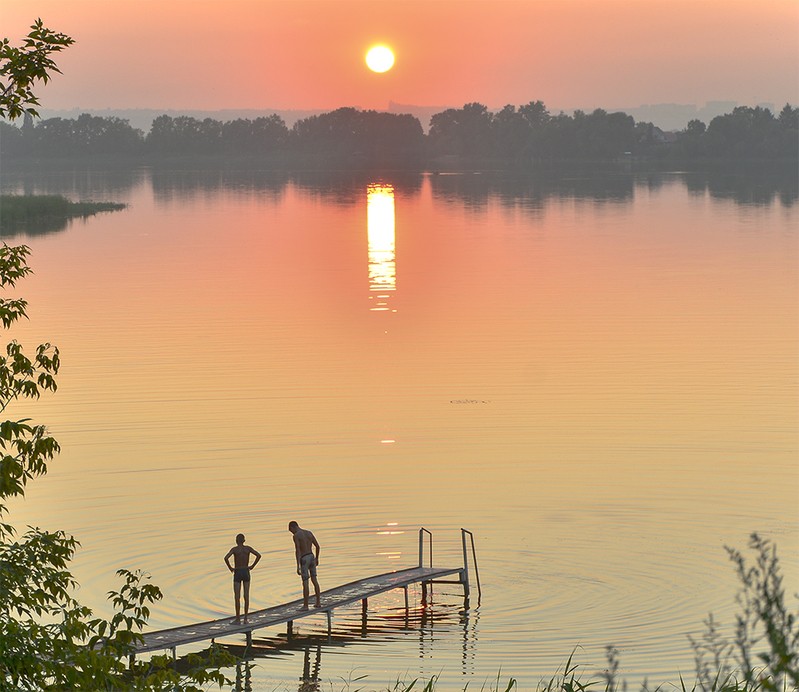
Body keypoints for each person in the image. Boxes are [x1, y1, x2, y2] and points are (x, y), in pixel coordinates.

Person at [223, 533, 261, 623]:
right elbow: (258, 555)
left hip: (238, 572)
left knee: (237, 597)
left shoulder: (234, 549)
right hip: (246, 571)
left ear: (236, 541)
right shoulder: (248, 549)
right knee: (246, 596)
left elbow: (226, 558)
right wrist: (252, 566)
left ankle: (237, 618)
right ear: (244, 540)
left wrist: (230, 568)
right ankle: (246, 619)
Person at [288, 520, 321, 610]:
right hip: (311, 556)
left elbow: (298, 550)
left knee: (305, 582)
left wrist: (298, 565)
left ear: (293, 527)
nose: (292, 533)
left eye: (291, 531)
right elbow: (317, 546)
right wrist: (317, 558)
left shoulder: (296, 536)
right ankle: (318, 602)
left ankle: (305, 606)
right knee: (314, 580)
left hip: (304, 559)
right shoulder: (309, 533)